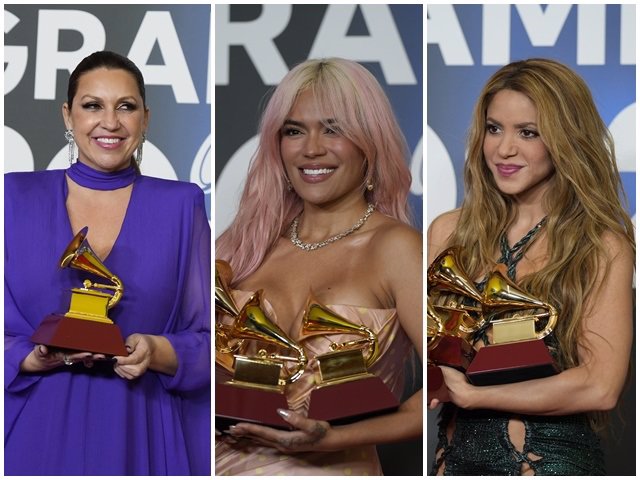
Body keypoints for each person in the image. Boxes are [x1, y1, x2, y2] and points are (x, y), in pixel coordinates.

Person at [4, 51, 211, 475]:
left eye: (126, 107)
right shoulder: (12, 198)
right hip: (33, 433)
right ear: (68, 114)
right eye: (92, 105)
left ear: (146, 118)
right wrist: (28, 358)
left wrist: (156, 350)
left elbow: (210, 342)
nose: (110, 123)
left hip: (142, 429)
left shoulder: (181, 205)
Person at [215, 57, 422, 475]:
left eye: (333, 129)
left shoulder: (395, 248)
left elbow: (446, 385)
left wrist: (336, 438)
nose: (312, 148)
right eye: (294, 130)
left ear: (370, 141)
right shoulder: (242, 246)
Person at [427, 58, 634, 475]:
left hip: (550, 464)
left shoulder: (600, 245)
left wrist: (474, 396)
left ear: (565, 140)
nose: (504, 149)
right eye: (493, 128)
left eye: (528, 133)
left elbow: (600, 386)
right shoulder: (449, 232)